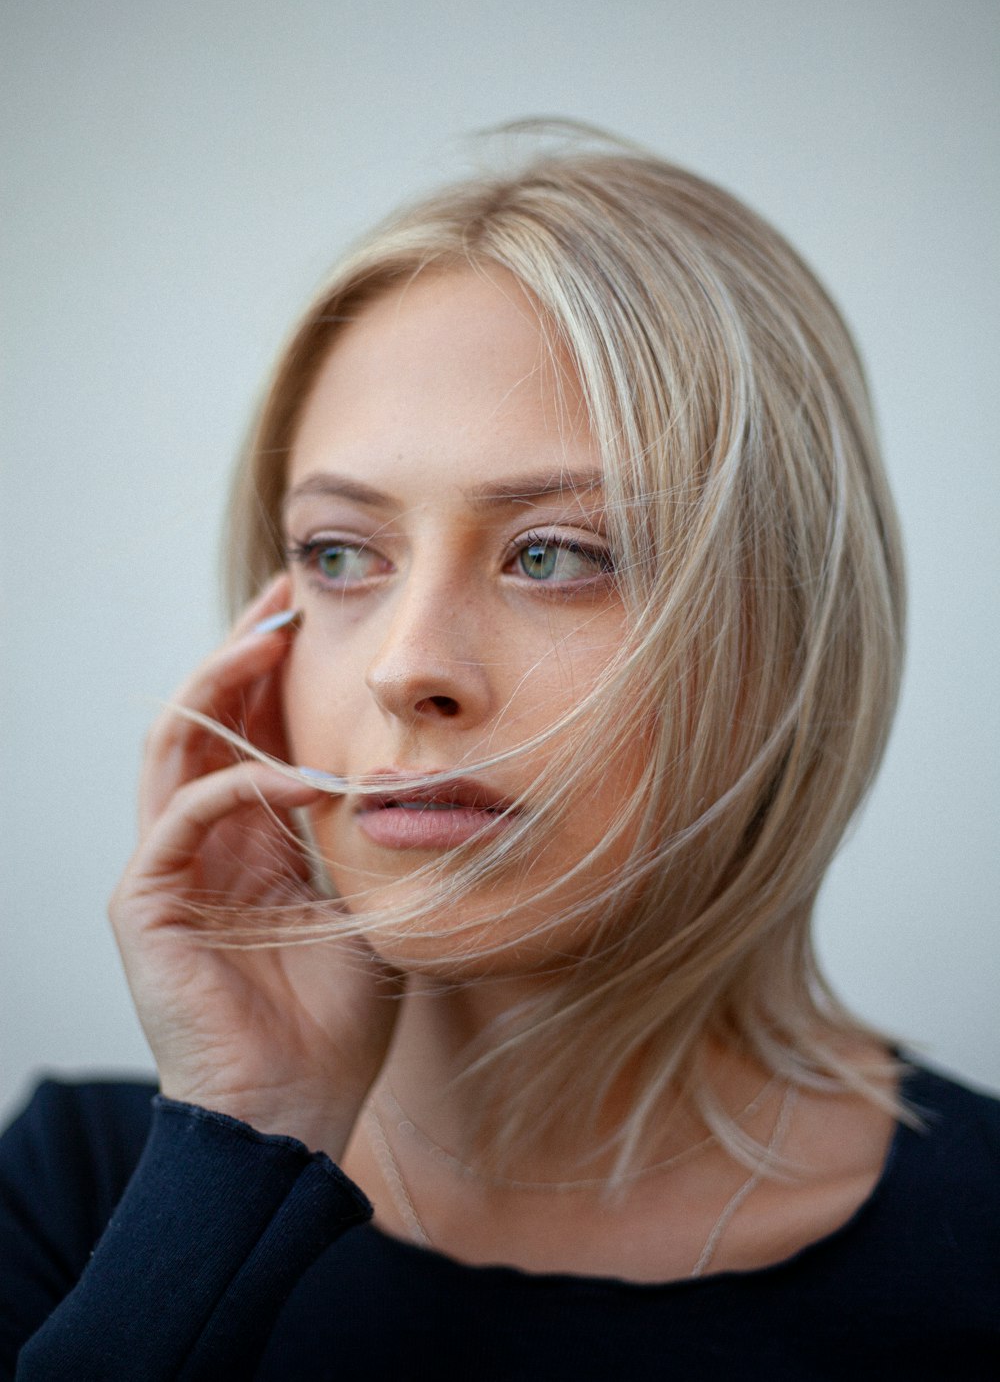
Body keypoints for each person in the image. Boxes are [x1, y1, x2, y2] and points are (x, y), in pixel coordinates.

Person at [2, 127, 997, 1380]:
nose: (405, 667)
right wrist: (239, 1154)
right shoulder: (76, 1193)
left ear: (790, 636)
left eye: (555, 554)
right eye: (340, 555)